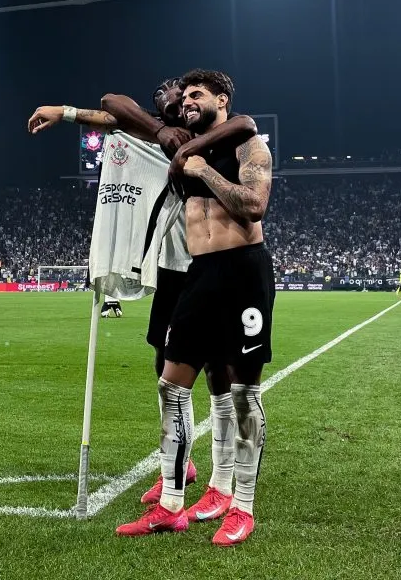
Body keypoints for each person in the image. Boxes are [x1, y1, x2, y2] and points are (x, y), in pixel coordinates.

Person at [28, 81, 258, 511]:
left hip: (211, 263)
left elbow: (245, 122)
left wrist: (182, 140)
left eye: (184, 91)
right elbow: (110, 103)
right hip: (171, 267)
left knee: (219, 371)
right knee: (165, 364)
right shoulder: (149, 132)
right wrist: (64, 110)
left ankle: (222, 479)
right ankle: (180, 466)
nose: (173, 93)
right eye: (167, 93)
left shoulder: (207, 136)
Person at [117, 70, 274, 546]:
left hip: (244, 269)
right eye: (183, 96)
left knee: (245, 393)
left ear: (221, 99)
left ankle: (241, 507)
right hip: (199, 273)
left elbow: (253, 206)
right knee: (170, 385)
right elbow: (115, 106)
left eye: (196, 95)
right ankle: (170, 506)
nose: (185, 101)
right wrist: (177, 143)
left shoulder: (249, 147)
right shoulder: (182, 142)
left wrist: (202, 169)